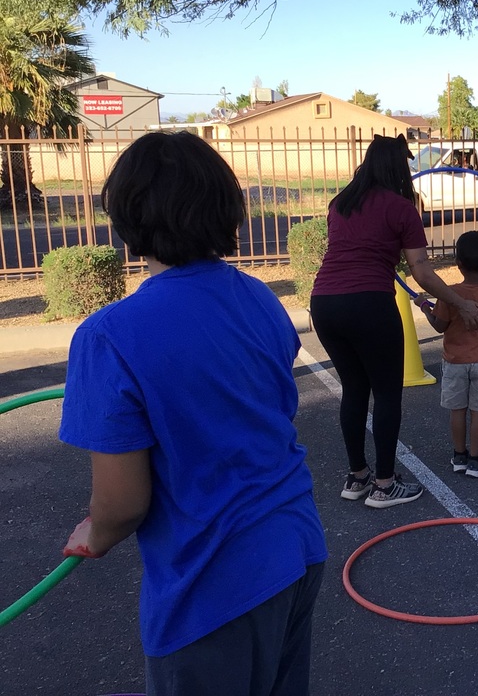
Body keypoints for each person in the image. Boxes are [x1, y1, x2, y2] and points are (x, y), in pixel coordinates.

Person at [60, 131, 328, 695]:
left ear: (129, 218)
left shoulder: (108, 337)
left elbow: (122, 503)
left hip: (213, 585)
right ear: (226, 208)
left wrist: (97, 532)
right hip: (296, 546)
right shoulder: (259, 297)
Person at [310, 134, 478, 508]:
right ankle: (385, 485)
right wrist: (460, 304)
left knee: (354, 389)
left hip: (324, 304)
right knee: (386, 392)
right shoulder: (401, 207)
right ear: (397, 167)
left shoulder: (340, 203)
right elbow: (420, 270)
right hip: (369, 304)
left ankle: (357, 477)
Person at [414, 231, 478, 477]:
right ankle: (476, 460)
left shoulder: (449, 295)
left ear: (458, 263)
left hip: (455, 363)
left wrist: (425, 306)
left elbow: (439, 326)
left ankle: (459, 457)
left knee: (457, 410)